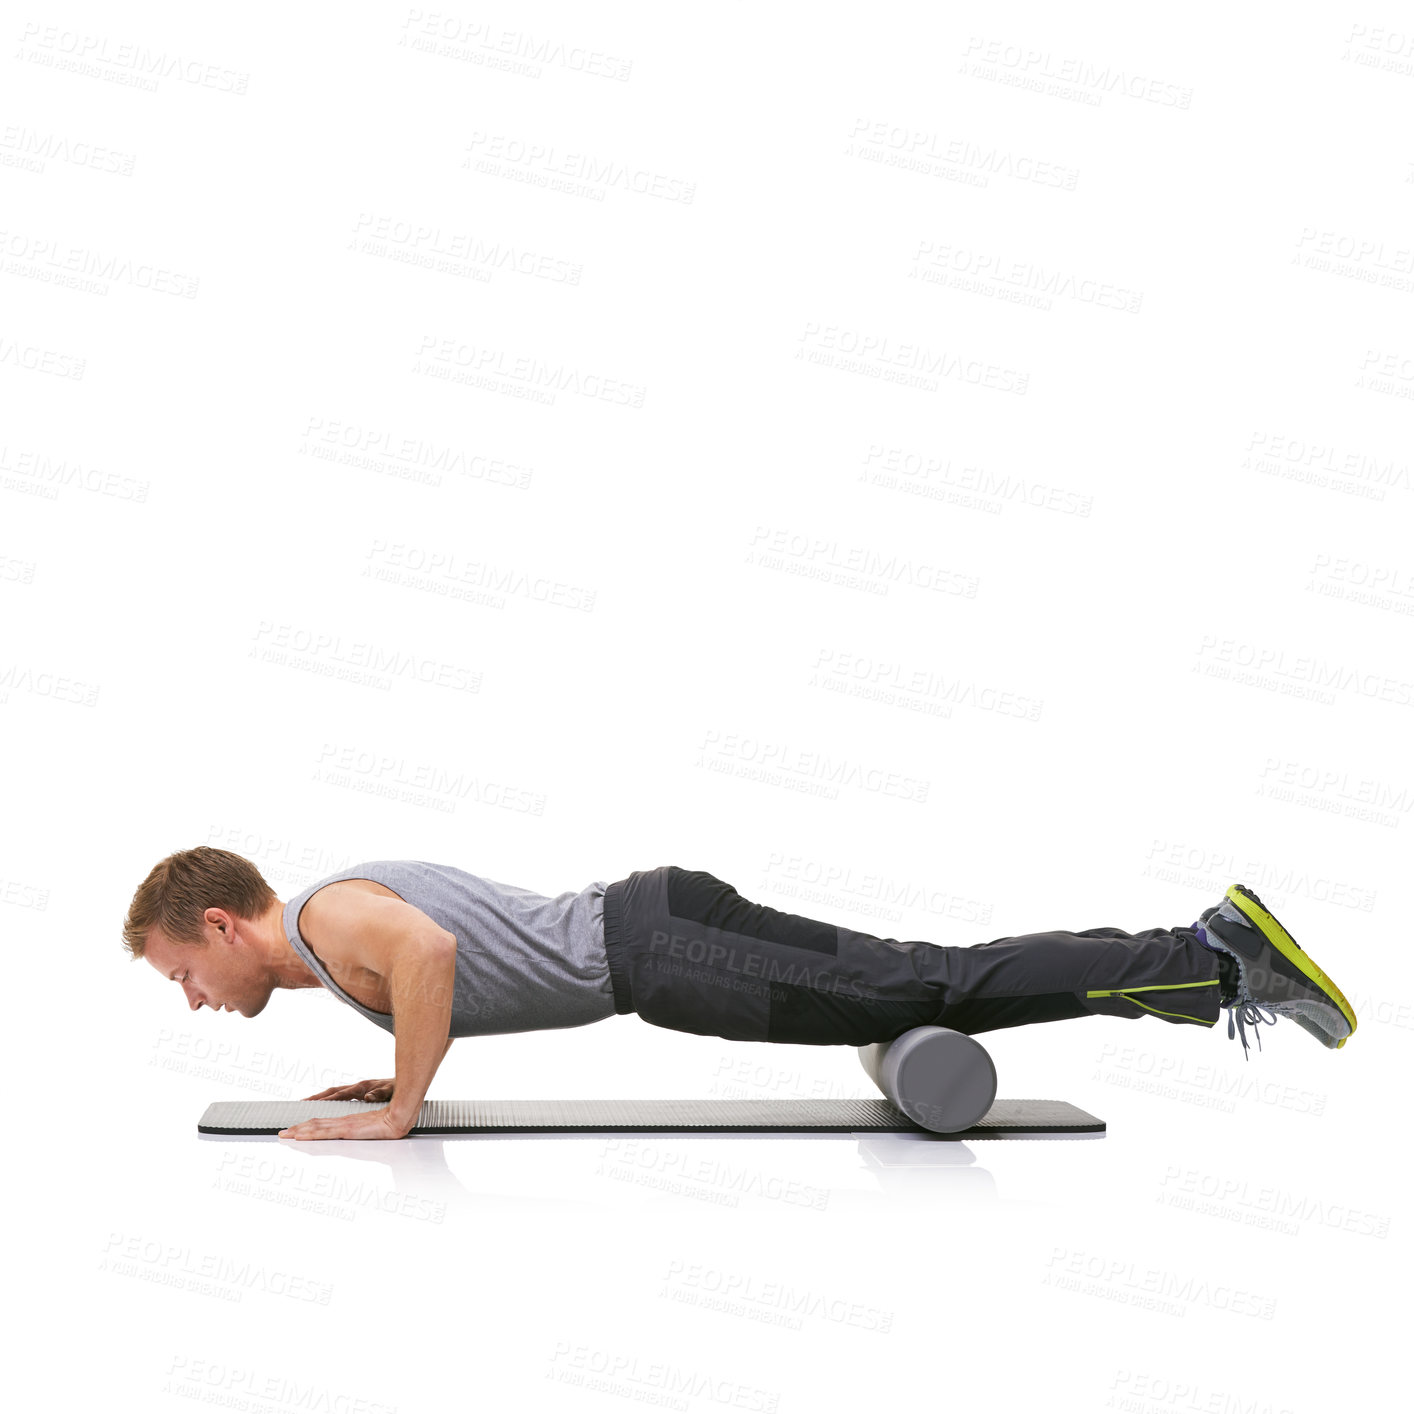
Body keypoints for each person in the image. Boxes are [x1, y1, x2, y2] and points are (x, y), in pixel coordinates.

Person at [123, 847, 1357, 1141]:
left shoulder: (328, 917)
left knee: (934, 984)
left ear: (222, 923)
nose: (191, 997)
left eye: (183, 971)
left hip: (660, 950)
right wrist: (400, 1073)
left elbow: (435, 957)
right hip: (659, 946)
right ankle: (1205, 962)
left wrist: (404, 1111)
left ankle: (1213, 956)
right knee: (930, 983)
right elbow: (442, 965)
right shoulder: (332, 943)